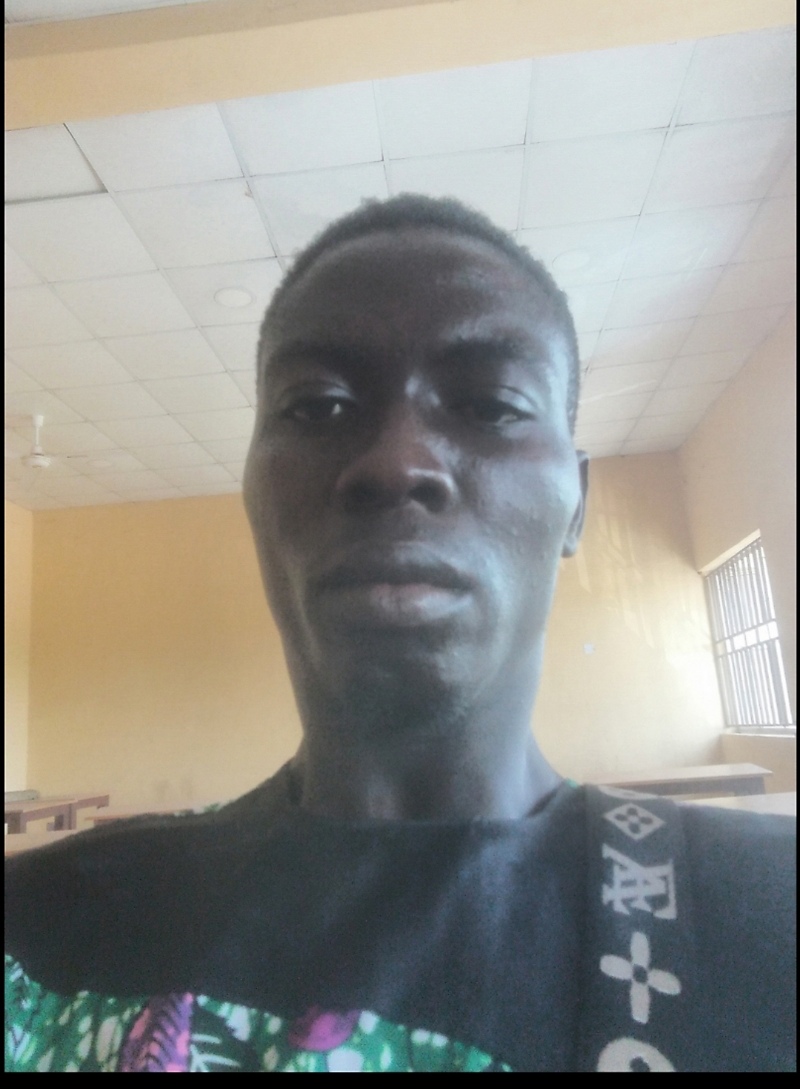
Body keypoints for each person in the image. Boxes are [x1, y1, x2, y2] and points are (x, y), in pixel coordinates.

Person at [5, 196, 795, 1073]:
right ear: (253, 492)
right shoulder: (43, 926)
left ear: (577, 503)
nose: (395, 461)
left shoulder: (772, 914)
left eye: (492, 404)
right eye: (316, 406)